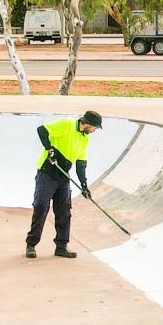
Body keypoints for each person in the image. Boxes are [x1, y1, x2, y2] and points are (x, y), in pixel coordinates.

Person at [28, 110, 102, 259]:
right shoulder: (67, 124)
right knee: (41, 206)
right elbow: (41, 130)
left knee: (64, 211)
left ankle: (61, 246)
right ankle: (31, 244)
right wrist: (49, 149)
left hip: (63, 176)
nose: (94, 131)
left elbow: (81, 164)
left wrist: (84, 185)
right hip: (47, 172)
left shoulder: (85, 138)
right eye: (95, 127)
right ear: (88, 123)